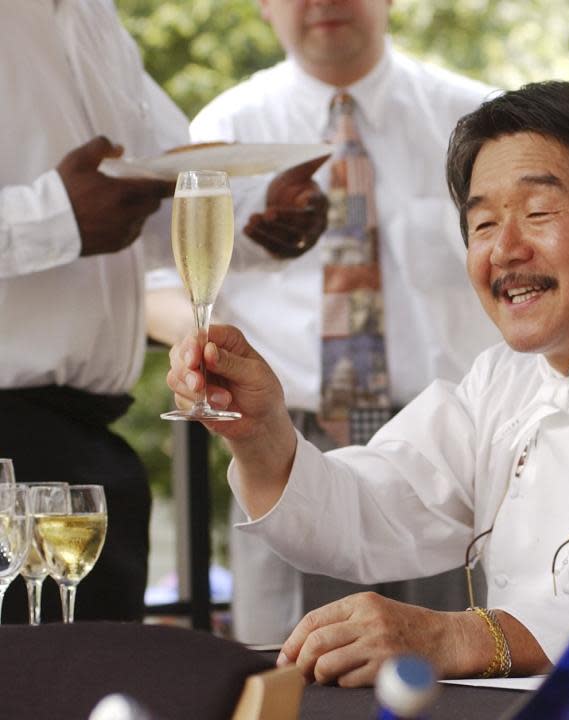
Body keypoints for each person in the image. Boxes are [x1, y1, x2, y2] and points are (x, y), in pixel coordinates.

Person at [166, 80, 569, 685]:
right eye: (482, 223)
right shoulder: (500, 381)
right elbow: (373, 512)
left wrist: (463, 635)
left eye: (538, 211)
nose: (503, 250)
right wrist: (260, 435)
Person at [147, 0, 501, 644]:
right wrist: (199, 350)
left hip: (450, 461)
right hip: (281, 447)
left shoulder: (479, 121)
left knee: (458, 675)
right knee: (289, 674)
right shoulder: (227, 127)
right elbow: (159, 286)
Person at [0, 0, 326, 624]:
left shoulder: (92, 18)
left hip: (85, 454)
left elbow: (162, 183)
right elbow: (80, 213)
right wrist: (56, 219)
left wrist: (262, 215)